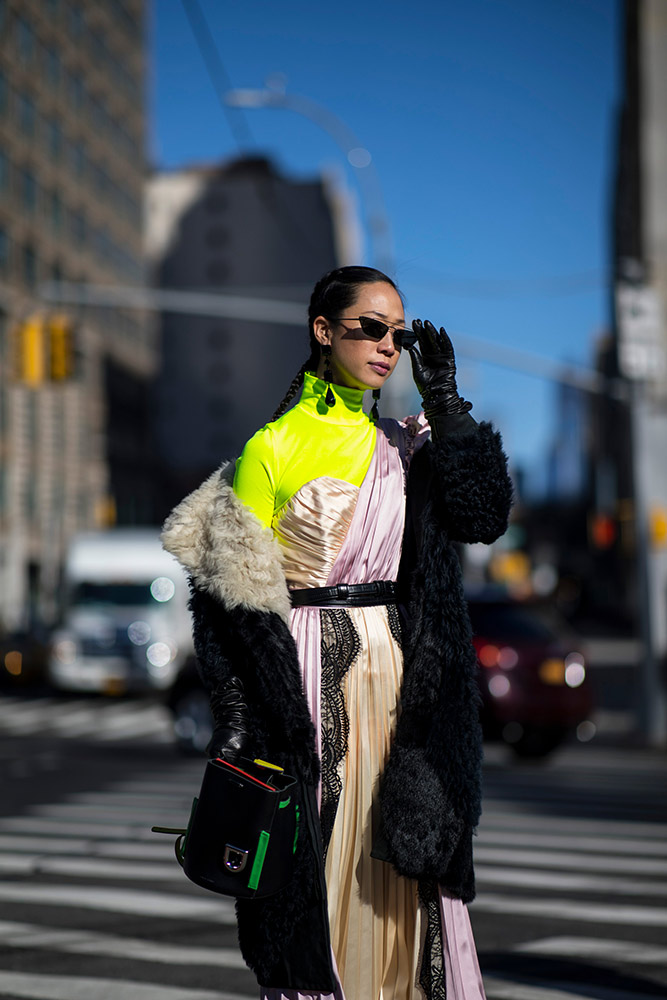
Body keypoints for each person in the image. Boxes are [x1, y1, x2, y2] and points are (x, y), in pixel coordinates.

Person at [162, 266, 513, 1000]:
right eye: (371, 328)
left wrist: (444, 402)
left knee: (410, 864)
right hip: (307, 689)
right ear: (323, 332)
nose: (390, 345)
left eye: (400, 332)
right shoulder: (270, 448)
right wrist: (235, 713)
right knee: (320, 874)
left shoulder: (409, 447)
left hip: (404, 686)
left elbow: (483, 517)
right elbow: (226, 600)